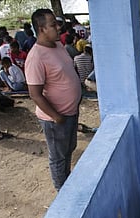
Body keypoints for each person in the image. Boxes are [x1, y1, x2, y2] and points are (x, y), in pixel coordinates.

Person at [25, 8, 82, 191]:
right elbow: (35, 94)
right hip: (56, 118)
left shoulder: (57, 46)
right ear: (41, 29)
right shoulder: (36, 57)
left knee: (69, 149)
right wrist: (56, 117)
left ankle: (66, 182)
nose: (58, 27)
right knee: (58, 157)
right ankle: (62, 192)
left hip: (70, 112)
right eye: (53, 24)